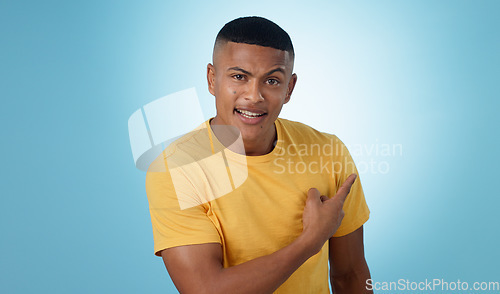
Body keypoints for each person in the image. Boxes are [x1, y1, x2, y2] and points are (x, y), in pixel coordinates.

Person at [146, 16, 372, 293]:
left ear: (289, 88)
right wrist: (309, 242)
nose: (254, 96)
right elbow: (205, 289)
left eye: (272, 80)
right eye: (239, 77)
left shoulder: (328, 151)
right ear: (212, 79)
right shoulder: (176, 168)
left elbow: (350, 275)